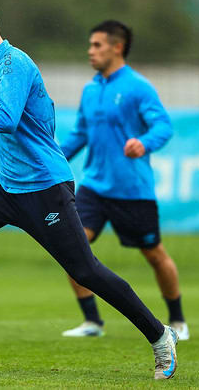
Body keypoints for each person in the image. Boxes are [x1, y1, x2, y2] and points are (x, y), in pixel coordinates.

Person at [0, 0, 178, 380]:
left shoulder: (14, 63)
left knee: (86, 270)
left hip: (44, 190)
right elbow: (42, 113)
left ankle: (160, 335)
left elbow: (6, 118)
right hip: (9, 190)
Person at [59, 20, 189, 341]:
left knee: (155, 255)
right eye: (90, 45)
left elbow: (163, 126)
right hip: (93, 187)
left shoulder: (138, 87)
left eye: (97, 45)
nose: (90, 51)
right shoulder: (91, 89)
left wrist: (144, 143)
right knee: (72, 249)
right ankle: (92, 322)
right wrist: (51, 159)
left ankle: (178, 320)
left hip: (132, 191)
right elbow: (79, 135)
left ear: (117, 47)